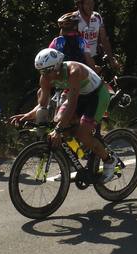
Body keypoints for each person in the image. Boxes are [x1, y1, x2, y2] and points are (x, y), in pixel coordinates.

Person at [15, 47, 118, 181]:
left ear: (57, 66)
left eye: (46, 71)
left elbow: (72, 103)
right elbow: (42, 105)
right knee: (60, 123)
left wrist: (58, 130)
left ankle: (109, 160)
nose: (44, 75)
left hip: (97, 95)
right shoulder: (45, 77)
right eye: (41, 71)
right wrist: (28, 115)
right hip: (79, 95)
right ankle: (70, 163)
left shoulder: (73, 71)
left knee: (81, 133)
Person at [72, 0, 113, 64]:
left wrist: (111, 59)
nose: (91, 6)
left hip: (95, 56)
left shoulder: (97, 17)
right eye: (87, 4)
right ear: (80, 5)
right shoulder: (73, 19)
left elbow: (104, 39)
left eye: (92, 3)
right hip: (79, 60)